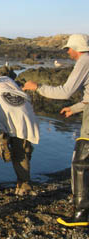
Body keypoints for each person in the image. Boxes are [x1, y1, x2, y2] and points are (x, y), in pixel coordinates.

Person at [23, 33, 89, 226]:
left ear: (76, 48)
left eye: (68, 48)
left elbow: (66, 91)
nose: (67, 52)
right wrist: (75, 108)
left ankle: (82, 214)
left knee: (80, 164)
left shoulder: (84, 60)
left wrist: (38, 88)